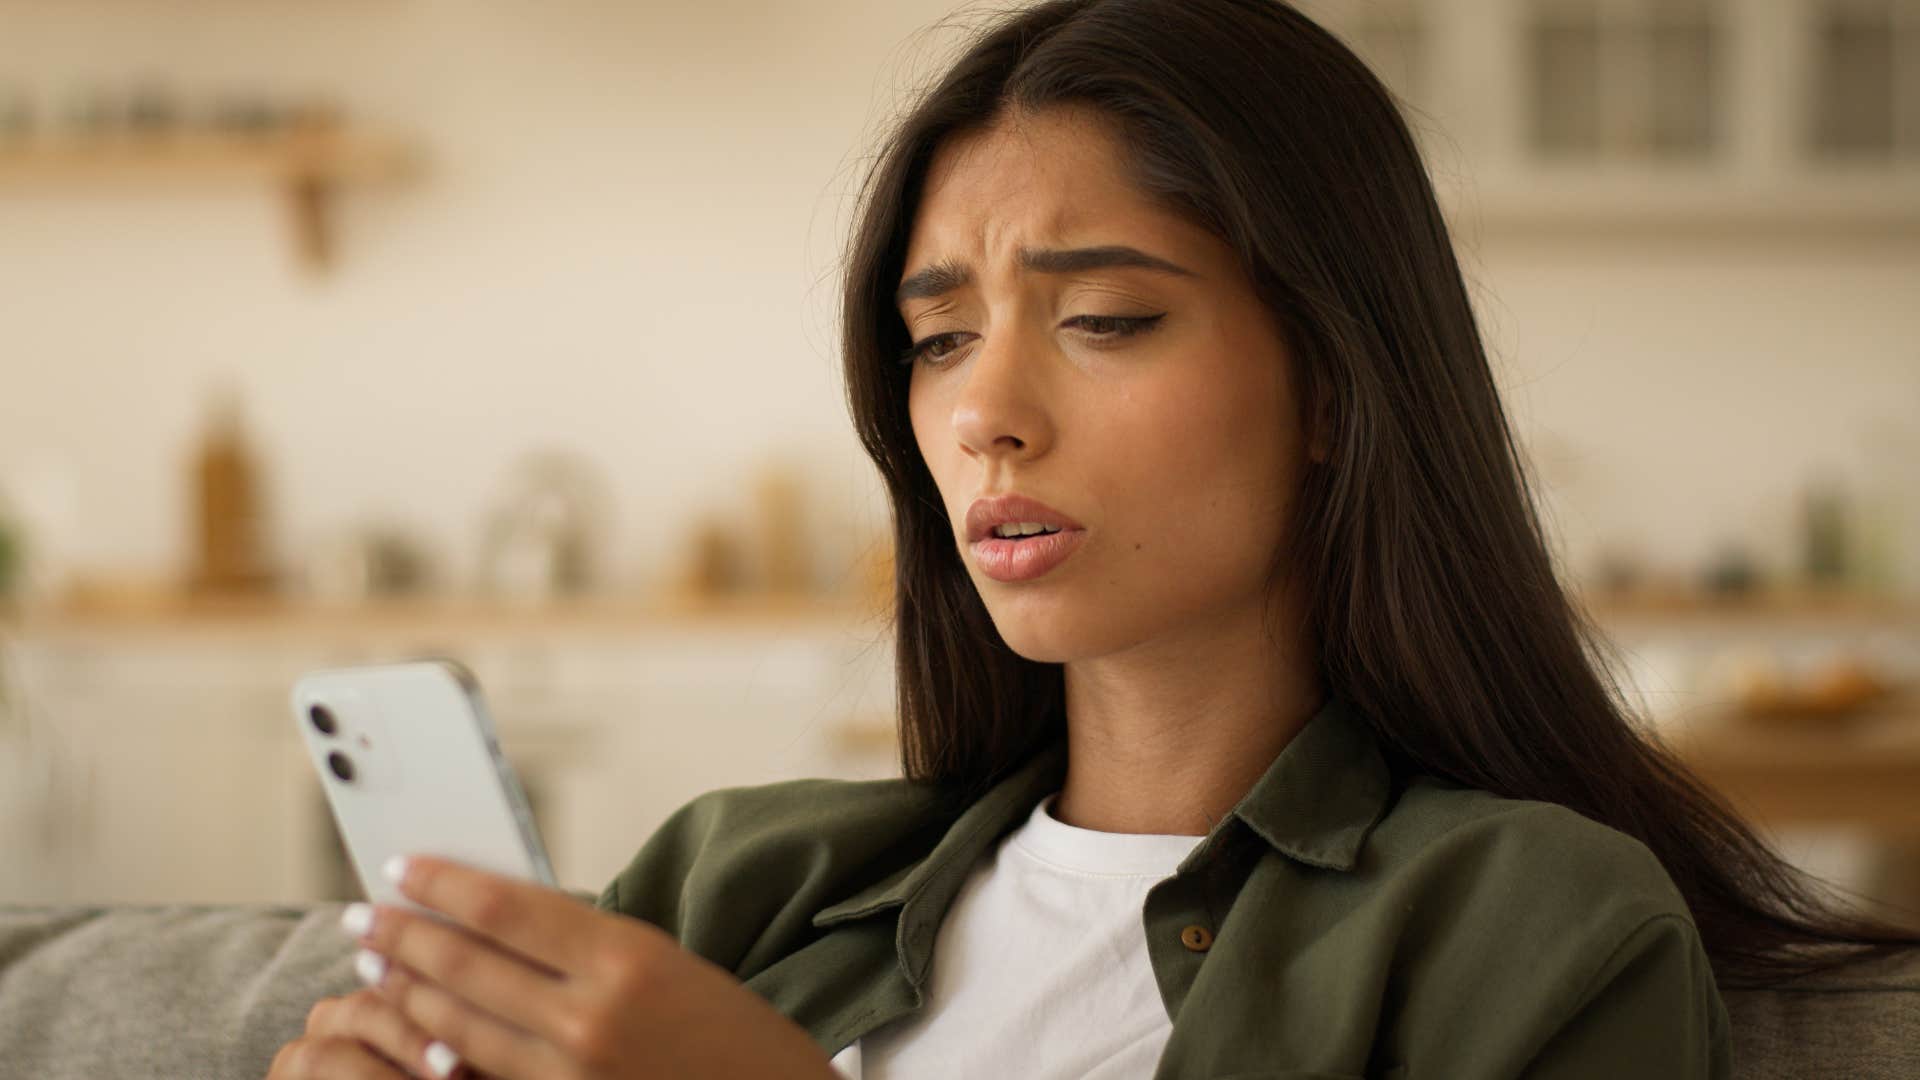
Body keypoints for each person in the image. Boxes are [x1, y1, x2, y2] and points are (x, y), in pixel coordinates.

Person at [269, 1, 1920, 1077]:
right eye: (936, 338)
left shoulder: (1529, 927)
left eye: (1107, 318)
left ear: (1335, 383)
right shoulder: (735, 881)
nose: (983, 411)